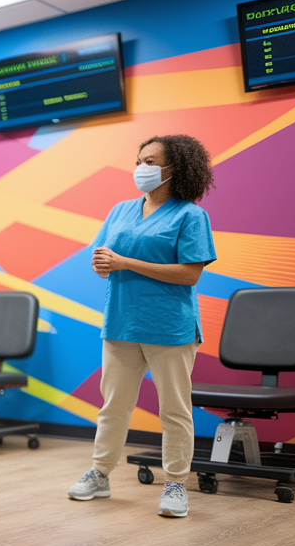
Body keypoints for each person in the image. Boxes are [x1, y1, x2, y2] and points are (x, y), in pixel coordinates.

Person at [67, 134, 216, 518]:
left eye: (151, 162)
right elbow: (104, 257)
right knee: (113, 406)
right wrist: (102, 264)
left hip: (170, 327)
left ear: (174, 168)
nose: (141, 168)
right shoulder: (120, 210)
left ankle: (176, 484)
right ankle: (100, 474)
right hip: (120, 322)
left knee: (174, 410)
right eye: (140, 160)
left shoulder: (190, 215)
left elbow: (189, 275)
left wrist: (126, 263)